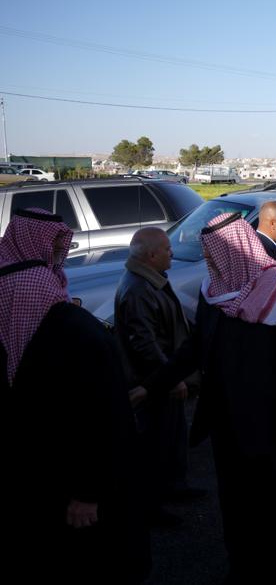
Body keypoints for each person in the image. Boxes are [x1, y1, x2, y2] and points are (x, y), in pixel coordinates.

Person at [134, 212, 276, 584]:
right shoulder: (214, 292)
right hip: (229, 423)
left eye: (214, 252)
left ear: (236, 249)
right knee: (239, 503)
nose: (209, 258)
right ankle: (246, 568)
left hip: (274, 427)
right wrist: (151, 386)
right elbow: (193, 349)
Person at [2, 209, 150, 583]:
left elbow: (104, 420)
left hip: (81, 492)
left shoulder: (76, 336)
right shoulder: (38, 328)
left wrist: (89, 492)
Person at [115, 227, 195, 527]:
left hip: (160, 379)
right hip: (150, 383)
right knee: (154, 446)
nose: (171, 253)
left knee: (172, 436)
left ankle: (174, 488)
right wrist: (170, 377)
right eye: (166, 249)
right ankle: (151, 507)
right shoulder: (138, 289)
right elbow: (145, 344)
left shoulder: (150, 279)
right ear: (151, 255)